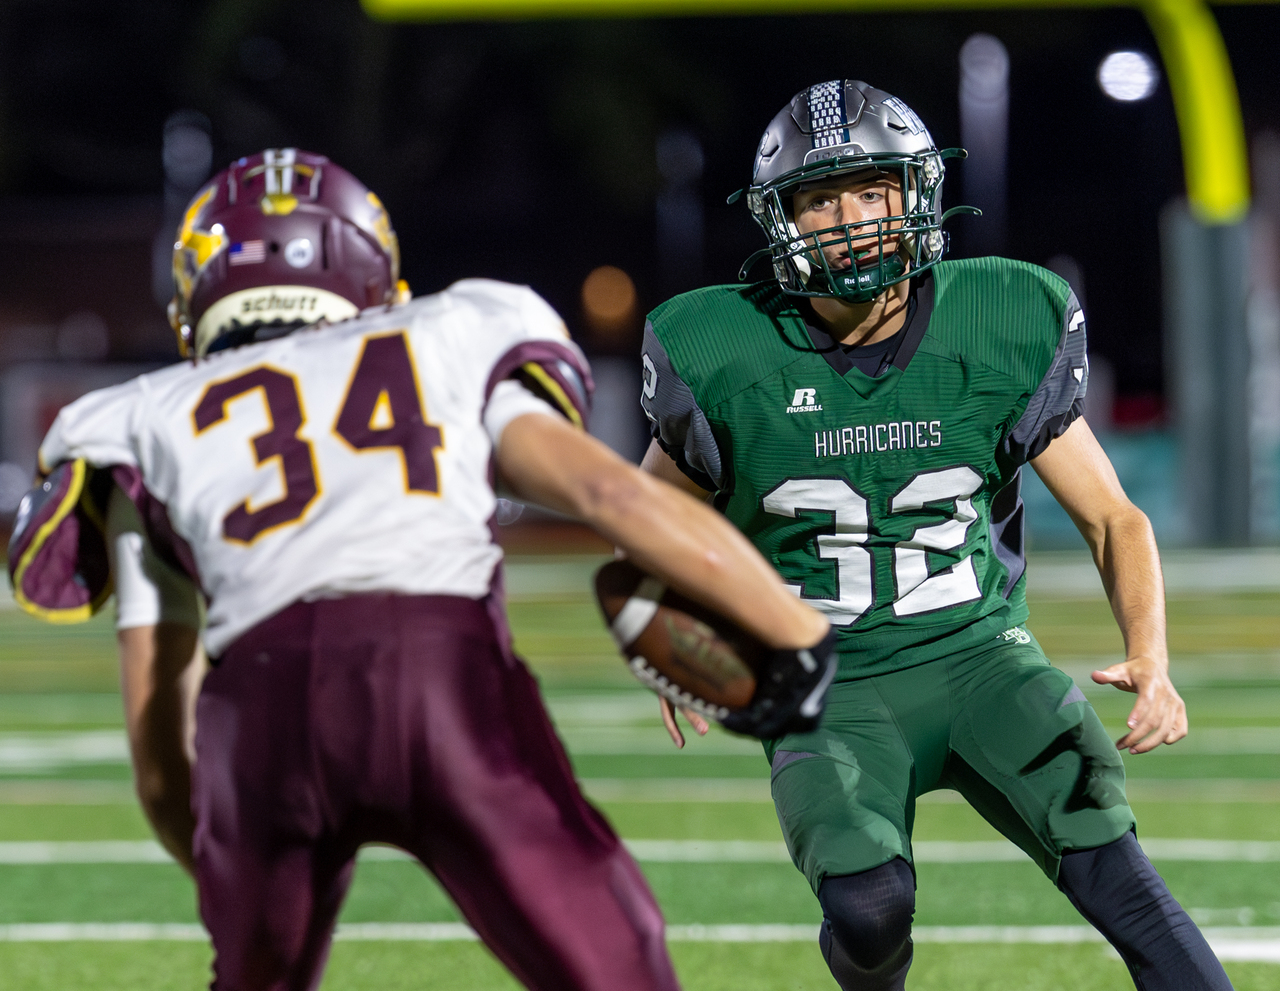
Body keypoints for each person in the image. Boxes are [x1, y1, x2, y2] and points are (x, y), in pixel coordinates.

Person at [7, 148, 834, 991]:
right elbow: (607, 493)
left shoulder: (138, 421)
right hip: (437, 680)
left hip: (259, 717)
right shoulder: (447, 336)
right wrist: (797, 636)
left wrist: (232, 874)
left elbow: (158, 754)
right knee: (616, 962)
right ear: (368, 266)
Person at [639, 81, 1234, 990]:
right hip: (829, 685)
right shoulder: (728, 349)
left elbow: (1114, 517)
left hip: (984, 659)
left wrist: (1149, 654)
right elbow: (646, 513)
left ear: (915, 196)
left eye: (873, 192)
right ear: (781, 221)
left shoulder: (995, 321)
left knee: (1120, 874)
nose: (851, 220)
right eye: (821, 198)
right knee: (869, 913)